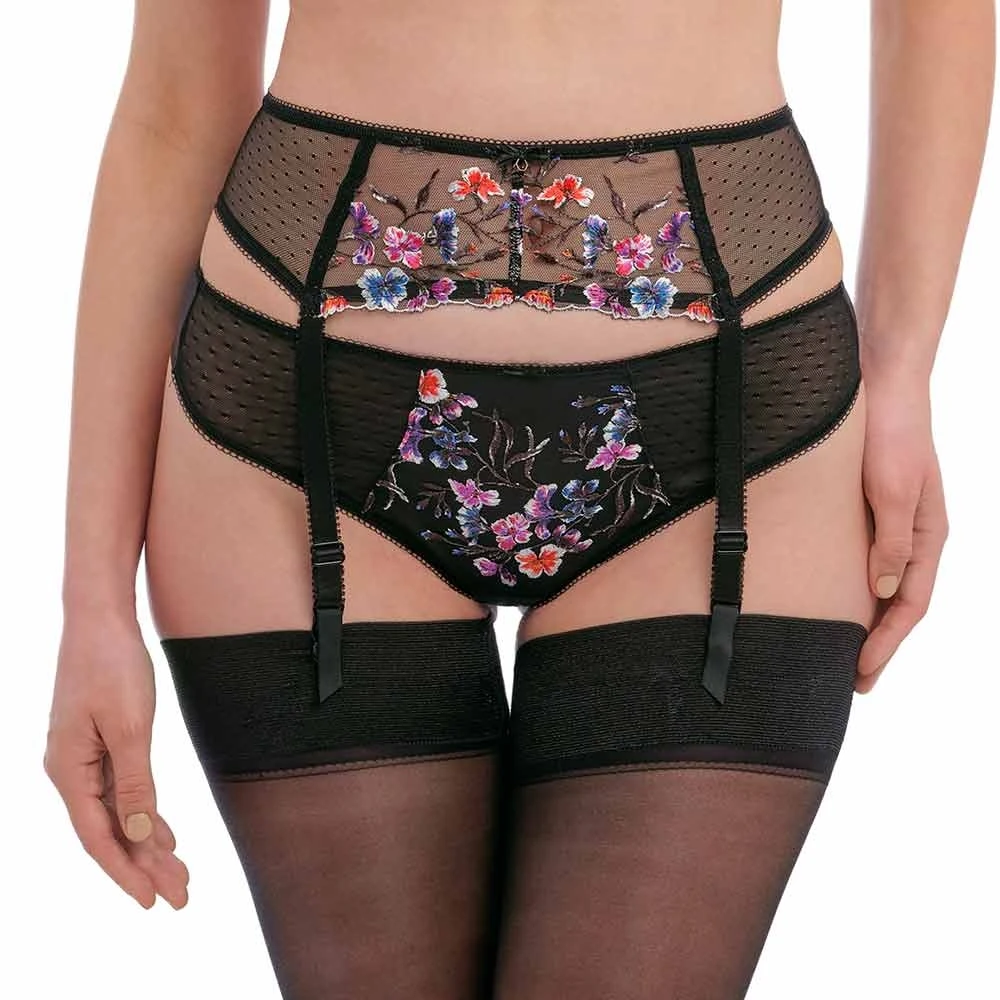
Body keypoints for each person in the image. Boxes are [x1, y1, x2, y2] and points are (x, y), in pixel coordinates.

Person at [43, 2, 993, 997]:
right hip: (298, 435)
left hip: (735, 428)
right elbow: (175, 107)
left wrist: (903, 370)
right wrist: (92, 601)